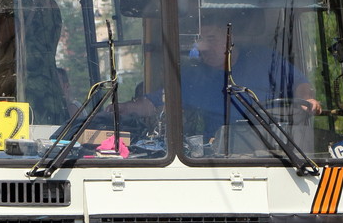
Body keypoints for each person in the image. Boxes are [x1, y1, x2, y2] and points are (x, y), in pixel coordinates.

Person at [123, 18, 322, 140]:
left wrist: (308, 100)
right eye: (200, 41)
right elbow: (153, 102)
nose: (204, 47)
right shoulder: (193, 78)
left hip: (271, 149)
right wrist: (122, 108)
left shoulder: (263, 59)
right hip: (218, 158)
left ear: (230, 38)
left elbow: (299, 83)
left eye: (211, 39)